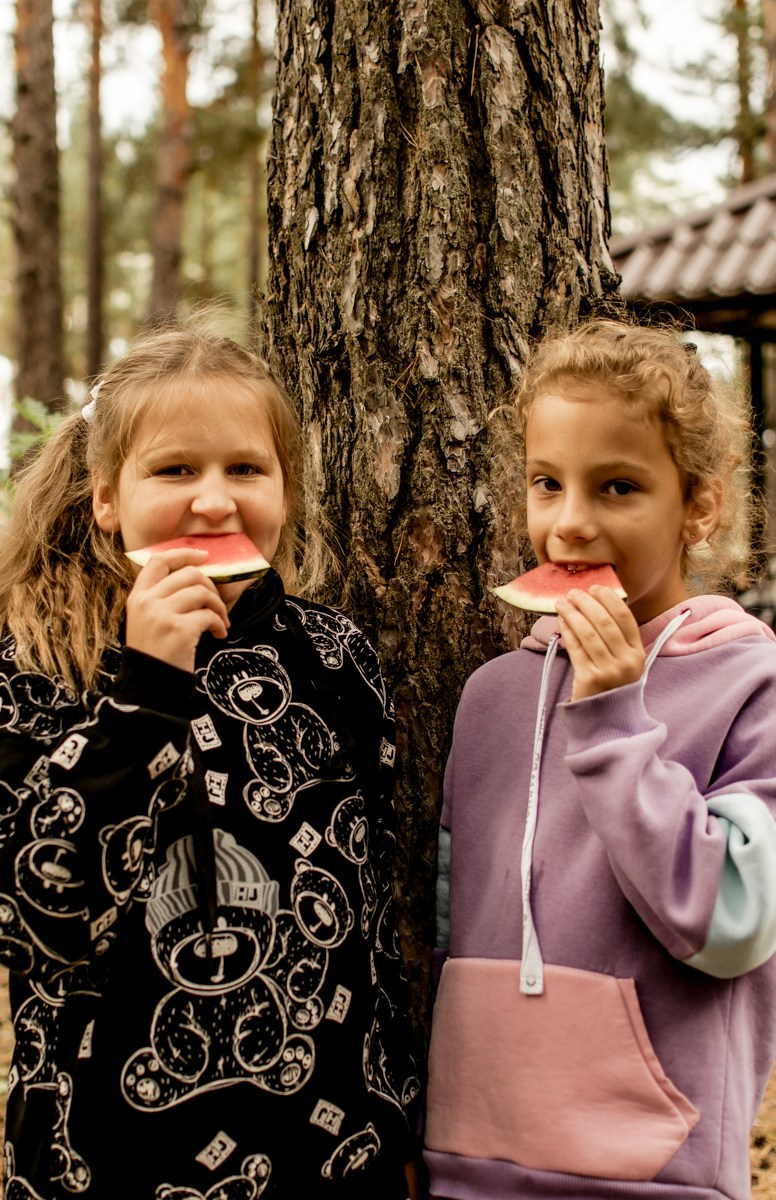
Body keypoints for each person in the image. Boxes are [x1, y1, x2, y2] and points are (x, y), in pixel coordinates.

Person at [0, 319, 420, 1199]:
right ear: (106, 497)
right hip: (107, 1161)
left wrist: (396, 1116)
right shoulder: (32, 658)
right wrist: (144, 687)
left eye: (245, 469)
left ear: (287, 490)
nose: (215, 502)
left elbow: (374, 916)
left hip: (330, 1155)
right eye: (175, 470)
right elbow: (36, 916)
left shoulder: (336, 658)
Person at [423, 318, 776, 1200]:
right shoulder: (494, 694)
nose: (571, 523)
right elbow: (443, 923)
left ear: (699, 504)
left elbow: (731, 922)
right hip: (468, 1161)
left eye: (617, 487)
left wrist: (616, 718)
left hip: (660, 1169)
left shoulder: (752, 681)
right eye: (548, 484)